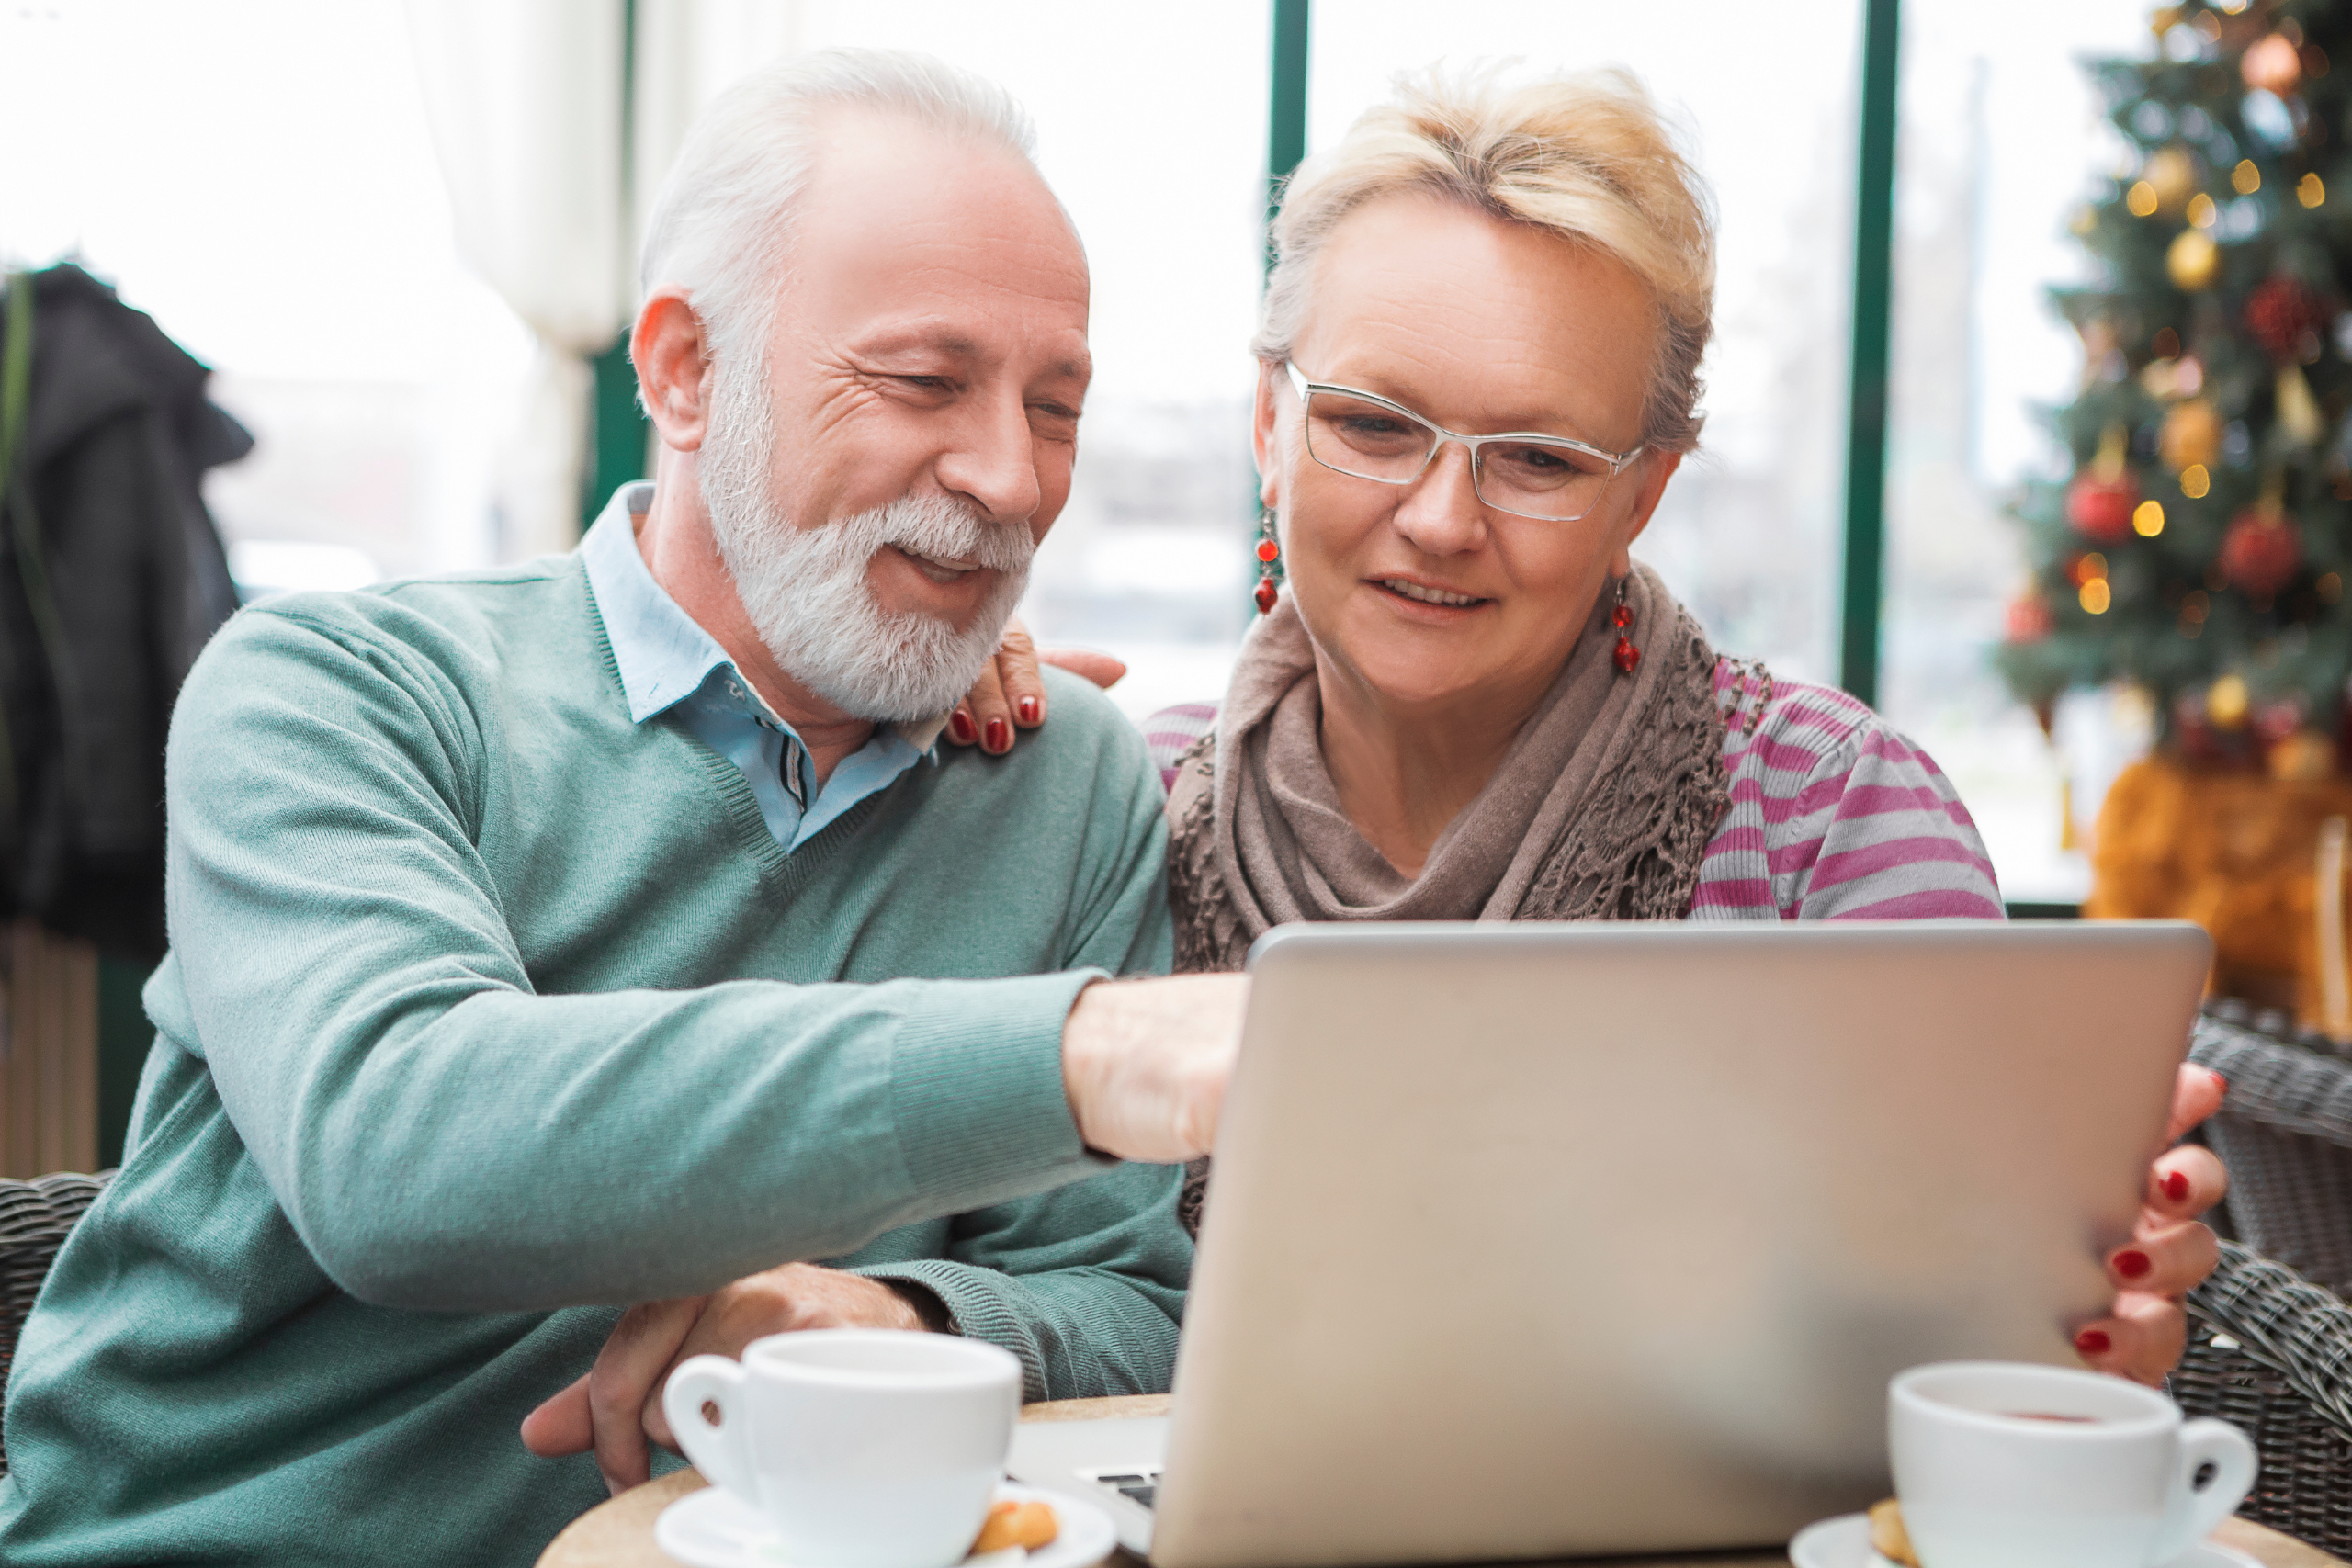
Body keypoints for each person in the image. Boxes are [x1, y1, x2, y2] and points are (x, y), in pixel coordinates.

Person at [529, 62, 2228, 1481]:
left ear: (1648, 489)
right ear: (1269, 420)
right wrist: (919, 687)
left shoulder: (1835, 820)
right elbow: (985, 1265)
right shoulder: (1107, 802)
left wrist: (2080, 1317)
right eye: (1374, 422)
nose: (1438, 515)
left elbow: (1972, 1350)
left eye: (1542, 458)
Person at [0, 51, 1242, 1568]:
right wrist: (1085, 1053)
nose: (1008, 477)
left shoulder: (1064, 781)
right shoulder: (335, 690)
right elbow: (397, 1145)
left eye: (1056, 407)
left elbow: (1135, 1311)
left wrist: (902, 1310)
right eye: (925, 383)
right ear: (683, 373)